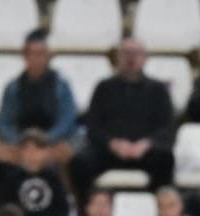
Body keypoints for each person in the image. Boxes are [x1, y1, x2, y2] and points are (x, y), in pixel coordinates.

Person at [69, 37, 175, 205]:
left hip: (144, 152)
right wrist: (112, 144)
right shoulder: (104, 87)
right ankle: (88, 214)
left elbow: (167, 128)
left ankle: (158, 214)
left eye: (136, 53)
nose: (131, 58)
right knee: (80, 162)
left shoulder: (158, 90)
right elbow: (93, 127)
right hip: (110, 151)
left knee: (165, 159)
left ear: (145, 58)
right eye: (126, 53)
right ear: (117, 57)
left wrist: (146, 144)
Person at [0, 29, 80, 168]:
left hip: (52, 143)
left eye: (41, 54)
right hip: (21, 144)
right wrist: (23, 142)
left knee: (67, 153)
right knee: (0, 155)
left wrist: (45, 141)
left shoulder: (61, 86)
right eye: (32, 54)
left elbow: (67, 120)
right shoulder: (13, 88)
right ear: (25, 56)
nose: (37, 59)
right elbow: (5, 123)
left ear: (48, 56)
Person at [0, 129, 70, 216]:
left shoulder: (53, 178)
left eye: (37, 149)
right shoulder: (12, 178)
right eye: (27, 149)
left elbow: (62, 208)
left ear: (46, 152)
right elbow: (6, 206)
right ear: (20, 152)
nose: (32, 154)